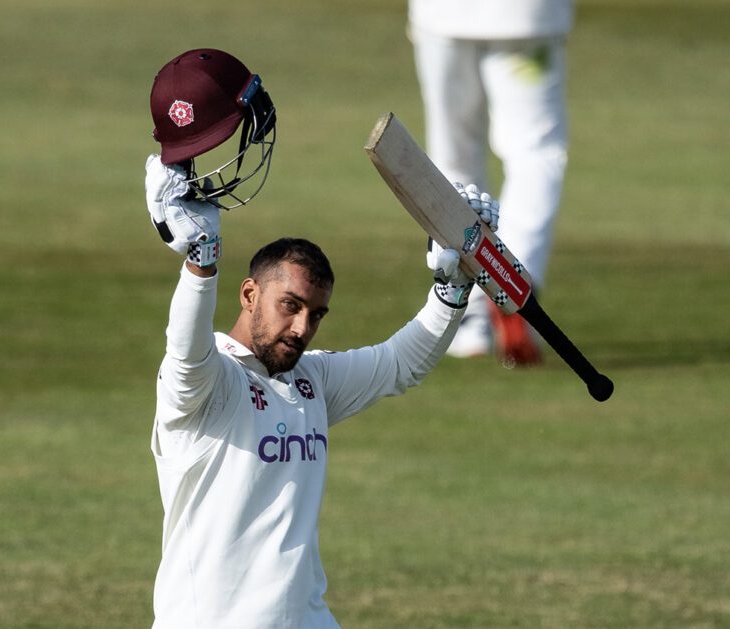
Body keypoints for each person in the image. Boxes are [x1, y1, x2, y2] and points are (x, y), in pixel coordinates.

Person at [143, 49, 499, 628]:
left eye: (315, 314)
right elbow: (185, 353)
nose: (302, 329)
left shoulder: (310, 381)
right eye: (290, 306)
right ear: (249, 294)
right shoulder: (206, 388)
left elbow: (399, 364)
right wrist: (201, 261)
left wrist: (451, 286)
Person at [408, 0, 574, 365]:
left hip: (443, 15)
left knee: (454, 160)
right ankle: (514, 283)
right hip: (527, 17)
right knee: (535, 151)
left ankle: (467, 317)